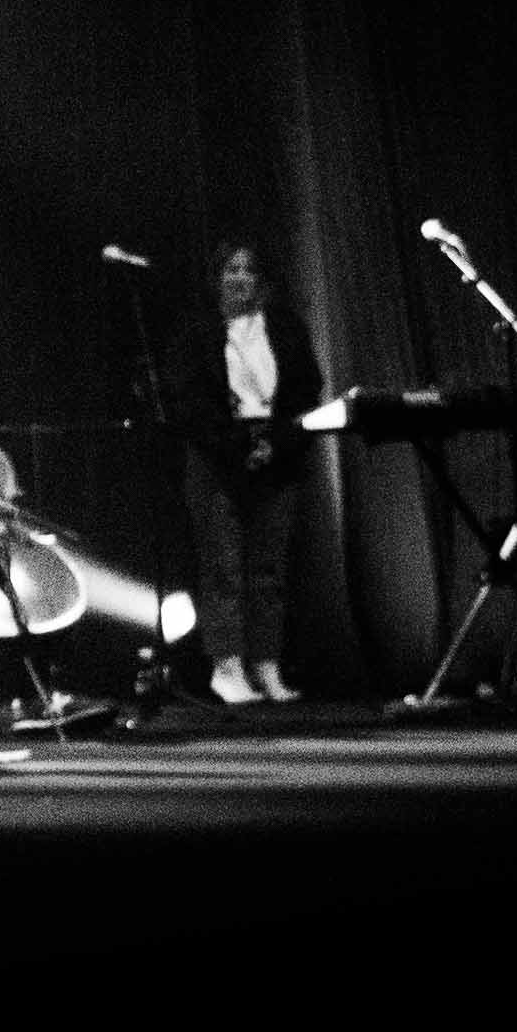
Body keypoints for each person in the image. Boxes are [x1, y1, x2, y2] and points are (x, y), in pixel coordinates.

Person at [160, 240, 322, 704]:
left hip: (277, 450)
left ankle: (267, 665)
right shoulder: (197, 331)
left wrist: (276, 445)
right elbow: (188, 400)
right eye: (231, 269)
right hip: (218, 456)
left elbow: (307, 390)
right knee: (223, 566)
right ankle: (227, 666)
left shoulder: (285, 327)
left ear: (262, 279)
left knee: (269, 568)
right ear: (217, 279)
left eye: (249, 270)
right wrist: (237, 448)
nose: (240, 278)